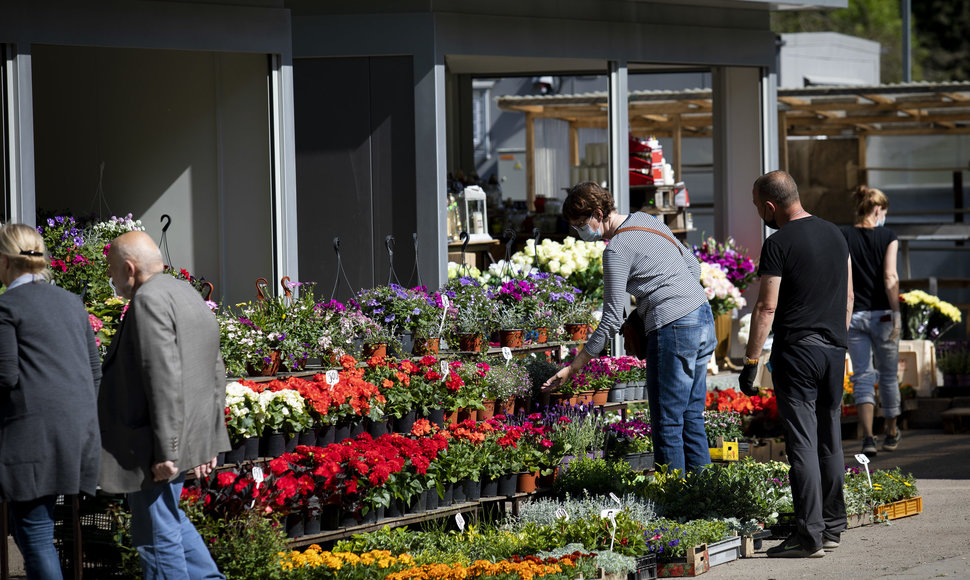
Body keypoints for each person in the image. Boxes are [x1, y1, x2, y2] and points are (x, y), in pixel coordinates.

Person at [543, 181, 716, 473]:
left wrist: (574, 367)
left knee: (667, 422)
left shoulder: (616, 250)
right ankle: (703, 499)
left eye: (582, 224)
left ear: (599, 213)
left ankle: (673, 500)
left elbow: (611, 318)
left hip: (673, 327)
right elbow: (693, 267)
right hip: (702, 317)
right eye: (574, 228)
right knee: (691, 417)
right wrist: (665, 295)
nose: (581, 233)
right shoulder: (647, 220)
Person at [98, 230, 229, 579]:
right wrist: (209, 438)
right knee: (168, 520)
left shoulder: (148, 300)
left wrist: (167, 451)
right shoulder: (185, 292)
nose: (111, 279)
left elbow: (163, 376)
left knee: (156, 536)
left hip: (153, 445)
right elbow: (214, 366)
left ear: (129, 268)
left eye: (111, 270)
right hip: (179, 437)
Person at [739, 170, 853, 558]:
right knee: (829, 439)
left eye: (758, 207)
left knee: (802, 443)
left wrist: (751, 361)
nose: (760, 213)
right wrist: (838, 339)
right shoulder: (836, 234)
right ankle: (833, 527)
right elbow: (849, 295)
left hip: (798, 351)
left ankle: (809, 536)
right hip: (834, 349)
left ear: (771, 206)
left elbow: (766, 305)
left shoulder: (778, 243)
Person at [0, 223, 102, 579]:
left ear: (3, 261)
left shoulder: (7, 306)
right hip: (78, 434)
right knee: (38, 532)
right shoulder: (72, 303)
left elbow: (4, 376)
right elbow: (94, 371)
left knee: (36, 535)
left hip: (31, 437)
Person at [840, 185, 901, 456]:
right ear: (878, 209)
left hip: (856, 315)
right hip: (884, 314)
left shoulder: (844, 236)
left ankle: (867, 437)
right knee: (888, 375)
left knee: (862, 376)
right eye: (884, 211)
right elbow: (890, 277)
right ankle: (891, 431)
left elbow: (847, 282)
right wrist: (896, 311)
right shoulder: (889, 236)